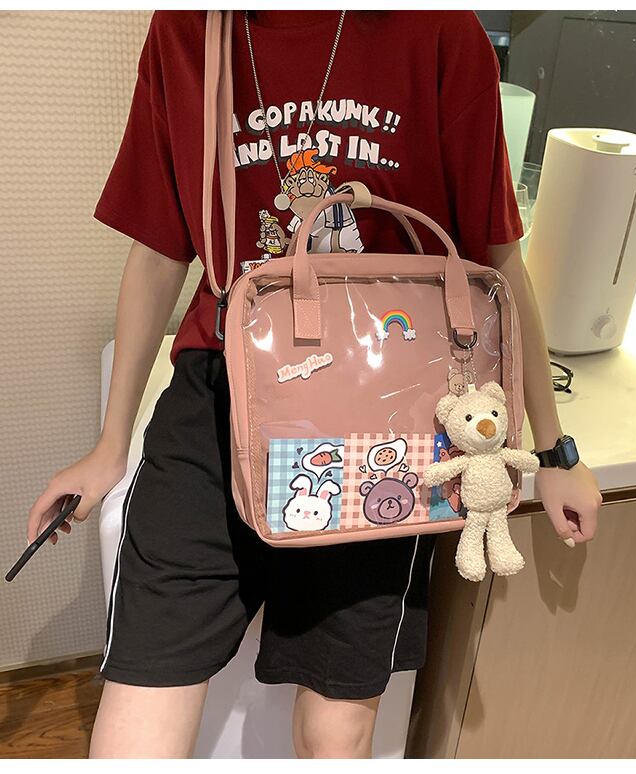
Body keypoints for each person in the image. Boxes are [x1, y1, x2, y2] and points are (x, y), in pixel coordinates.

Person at [26, 10, 602, 759]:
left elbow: (496, 256)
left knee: (338, 725)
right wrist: (109, 447)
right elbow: (161, 249)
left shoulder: (439, 32)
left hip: (388, 403)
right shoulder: (191, 29)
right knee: (144, 688)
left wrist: (553, 451)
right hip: (223, 389)